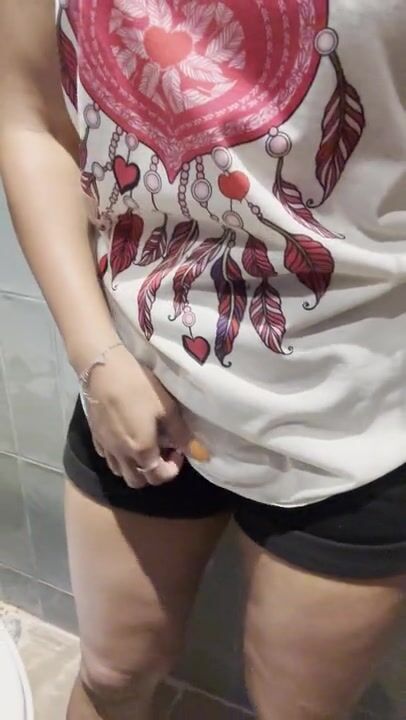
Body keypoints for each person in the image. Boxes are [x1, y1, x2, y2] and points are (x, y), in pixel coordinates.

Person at [1, 1, 405, 718]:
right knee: (113, 673)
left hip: (362, 407)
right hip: (137, 369)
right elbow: (30, 117)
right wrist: (96, 357)